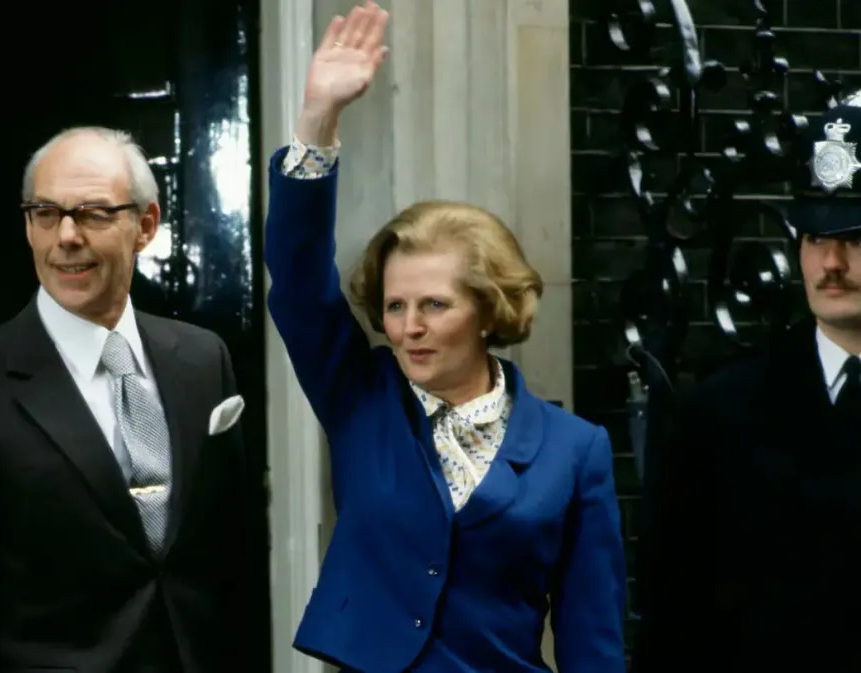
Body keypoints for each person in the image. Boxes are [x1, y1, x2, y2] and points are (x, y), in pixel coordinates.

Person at [264, 3, 626, 671]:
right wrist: (317, 122)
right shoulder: (362, 398)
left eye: (434, 304)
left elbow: (592, 631)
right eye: (395, 306)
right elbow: (297, 284)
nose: (409, 327)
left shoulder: (575, 450)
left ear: (488, 309)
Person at [0, 126, 251, 672]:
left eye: (93, 214)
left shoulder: (203, 361)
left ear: (145, 226)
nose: (66, 235)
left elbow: (231, 554)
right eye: (45, 213)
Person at [634, 97, 861, 671]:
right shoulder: (722, 409)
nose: (831, 263)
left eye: (854, 238)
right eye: (815, 238)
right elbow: (673, 611)